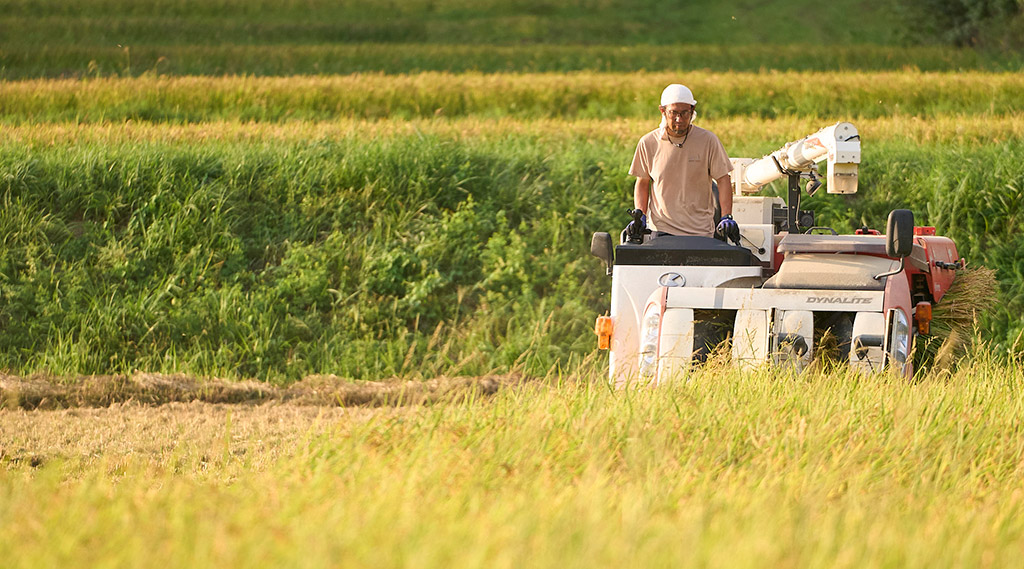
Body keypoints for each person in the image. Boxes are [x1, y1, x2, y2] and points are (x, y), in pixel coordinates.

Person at [627, 84, 737, 240]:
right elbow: (643, 182)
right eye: (673, 113)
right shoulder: (648, 143)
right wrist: (641, 214)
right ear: (663, 111)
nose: (679, 119)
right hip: (661, 231)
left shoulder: (708, 141)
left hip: (701, 233)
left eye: (685, 113)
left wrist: (726, 216)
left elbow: (723, 179)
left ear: (692, 110)